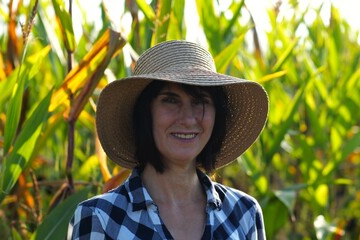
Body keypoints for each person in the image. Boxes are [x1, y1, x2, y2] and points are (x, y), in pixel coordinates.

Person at [69, 40, 269, 240]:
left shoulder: (244, 213)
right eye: (171, 100)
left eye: (200, 101)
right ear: (145, 113)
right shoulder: (101, 217)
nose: (188, 119)